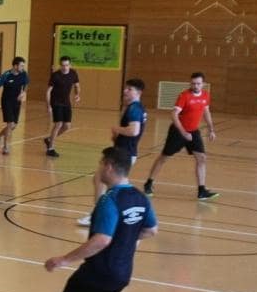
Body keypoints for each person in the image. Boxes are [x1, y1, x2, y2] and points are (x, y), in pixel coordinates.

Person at [28, 147, 157, 292]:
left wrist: (64, 259)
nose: (98, 170)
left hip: (99, 271)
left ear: (109, 166)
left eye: (100, 164)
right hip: (122, 273)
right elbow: (151, 230)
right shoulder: (140, 198)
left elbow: (102, 240)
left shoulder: (109, 200)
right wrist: (126, 241)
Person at [79, 79, 147, 227]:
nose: (125, 91)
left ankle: (99, 215)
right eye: (126, 88)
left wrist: (117, 129)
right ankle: (107, 214)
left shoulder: (135, 109)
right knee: (102, 180)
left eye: (129, 89)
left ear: (138, 92)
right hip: (124, 151)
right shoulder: (135, 107)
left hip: (124, 153)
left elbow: (134, 131)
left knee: (104, 181)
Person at [144, 71, 219, 201]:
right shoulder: (184, 96)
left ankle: (201, 191)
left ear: (203, 84)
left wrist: (211, 129)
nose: (195, 86)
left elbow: (206, 112)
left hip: (194, 131)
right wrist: (183, 132)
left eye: (198, 83)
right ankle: (149, 183)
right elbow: (174, 114)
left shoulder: (206, 95)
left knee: (201, 158)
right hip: (178, 132)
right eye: (193, 83)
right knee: (164, 157)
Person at [44, 56, 82, 158]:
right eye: (63, 65)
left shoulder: (73, 73)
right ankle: (50, 149)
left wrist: (77, 94)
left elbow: (77, 86)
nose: (65, 67)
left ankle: (49, 139)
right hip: (56, 102)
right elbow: (48, 91)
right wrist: (48, 105)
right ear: (60, 65)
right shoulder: (55, 75)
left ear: (70, 65)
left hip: (66, 102)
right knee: (58, 124)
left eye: (67, 65)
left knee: (67, 126)